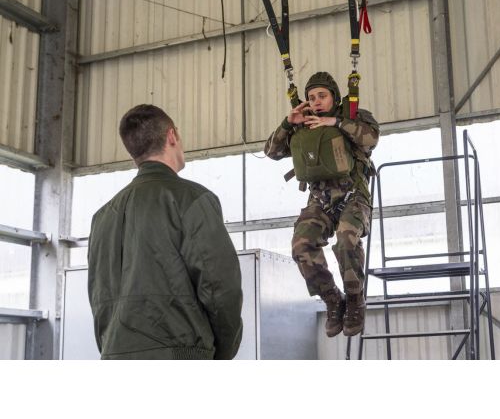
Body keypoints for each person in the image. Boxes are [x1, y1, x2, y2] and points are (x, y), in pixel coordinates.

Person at [88, 104, 243, 360]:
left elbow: (99, 297)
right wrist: (221, 353)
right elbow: (220, 289)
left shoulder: (102, 217)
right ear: (172, 136)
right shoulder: (192, 200)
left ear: (133, 152)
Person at [265, 72, 380, 338]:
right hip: (320, 200)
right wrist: (288, 122)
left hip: (353, 195)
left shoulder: (353, 117)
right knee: (301, 245)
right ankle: (332, 299)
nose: (316, 102)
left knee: (346, 238)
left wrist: (336, 122)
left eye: (322, 96)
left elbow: (371, 139)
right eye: (311, 97)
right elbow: (271, 152)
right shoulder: (302, 126)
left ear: (334, 97)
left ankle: (354, 300)